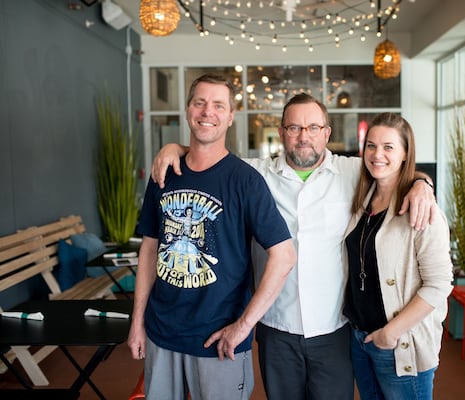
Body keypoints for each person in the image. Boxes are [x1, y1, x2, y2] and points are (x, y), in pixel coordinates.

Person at [152, 93, 436, 399]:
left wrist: (422, 184)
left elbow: (393, 170)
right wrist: (174, 148)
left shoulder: (353, 172)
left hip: (334, 328)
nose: (304, 137)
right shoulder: (254, 173)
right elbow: (209, 154)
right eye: (294, 128)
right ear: (281, 132)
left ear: (327, 133)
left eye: (314, 128)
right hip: (276, 329)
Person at [128, 73, 297, 400]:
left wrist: (244, 326)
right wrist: (138, 321)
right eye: (200, 103)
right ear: (188, 110)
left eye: (219, 105)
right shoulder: (164, 173)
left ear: (231, 117)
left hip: (219, 341)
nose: (208, 112)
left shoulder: (246, 181)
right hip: (162, 332)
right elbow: (150, 249)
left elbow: (285, 256)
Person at [343, 113, 453, 400]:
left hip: (398, 343)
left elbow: (439, 284)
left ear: (406, 154)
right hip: (360, 338)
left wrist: (390, 333)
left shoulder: (421, 209)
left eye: (389, 147)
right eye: (371, 145)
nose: (377, 154)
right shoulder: (362, 200)